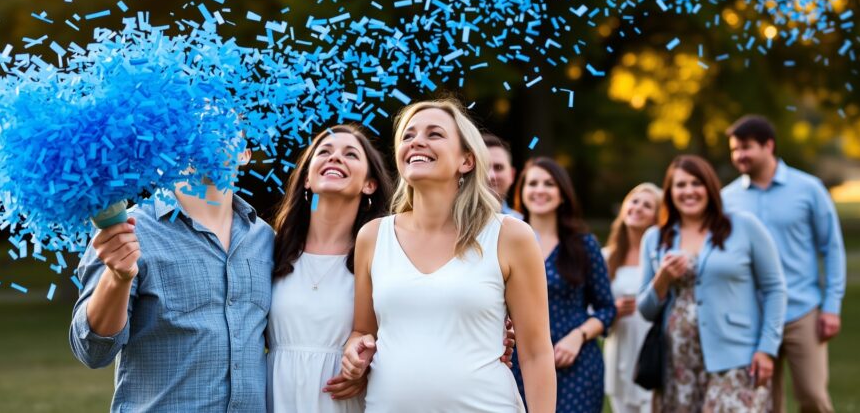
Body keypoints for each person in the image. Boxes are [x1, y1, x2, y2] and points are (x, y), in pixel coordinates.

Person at [341, 98, 556, 412]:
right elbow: (363, 331)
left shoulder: (510, 236)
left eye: (434, 134)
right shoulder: (373, 236)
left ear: (466, 160)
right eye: (408, 135)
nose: (417, 141)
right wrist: (354, 349)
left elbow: (536, 353)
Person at [69, 142, 274, 412]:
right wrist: (117, 277)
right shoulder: (128, 232)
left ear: (245, 154)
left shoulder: (266, 239)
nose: (211, 136)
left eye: (225, 128)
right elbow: (93, 352)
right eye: (198, 129)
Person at [638, 155, 786, 412]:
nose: (689, 191)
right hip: (678, 361)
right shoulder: (655, 238)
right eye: (680, 185)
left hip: (736, 355)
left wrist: (767, 348)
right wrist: (662, 278)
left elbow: (775, 289)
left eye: (696, 183)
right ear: (670, 192)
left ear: (710, 187)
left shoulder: (744, 226)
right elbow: (646, 310)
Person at [722, 115, 846, 412]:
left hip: (802, 310)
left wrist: (831, 306)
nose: (739, 156)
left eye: (746, 147)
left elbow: (832, 248)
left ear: (769, 145)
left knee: (813, 397)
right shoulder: (727, 199)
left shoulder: (809, 189)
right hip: (752, 315)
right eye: (734, 150)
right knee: (763, 402)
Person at [268, 125, 394, 412]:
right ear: (307, 179)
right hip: (277, 397)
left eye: (350, 154)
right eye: (324, 151)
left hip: (343, 401)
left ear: (369, 184)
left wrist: (367, 364)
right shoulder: (269, 249)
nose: (335, 157)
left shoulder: (383, 257)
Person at [510, 157, 617, 413]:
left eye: (549, 184)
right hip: (519, 363)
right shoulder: (506, 242)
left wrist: (578, 337)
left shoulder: (583, 245)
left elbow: (606, 309)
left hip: (576, 365)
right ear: (521, 192)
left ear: (562, 195)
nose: (540, 190)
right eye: (533, 183)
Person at [602, 182, 662, 413]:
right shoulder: (606, 257)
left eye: (647, 205)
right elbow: (592, 308)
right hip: (619, 349)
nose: (637, 208)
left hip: (652, 350)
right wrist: (613, 311)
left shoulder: (660, 255)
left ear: (657, 216)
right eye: (634, 201)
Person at [483, 133, 524, 219]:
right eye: (482, 167)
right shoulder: (453, 221)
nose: (491, 176)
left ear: (512, 175)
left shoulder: (525, 224)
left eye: (498, 167)